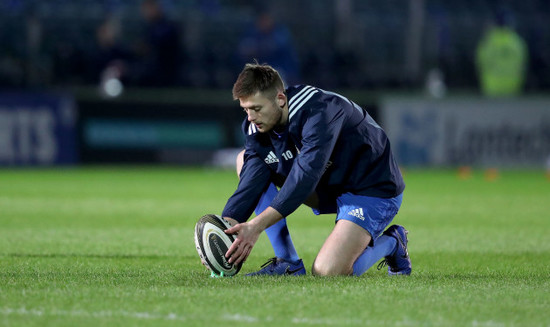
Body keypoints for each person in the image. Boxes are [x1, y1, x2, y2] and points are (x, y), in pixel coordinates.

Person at [218, 63, 410, 277]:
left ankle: (393, 242)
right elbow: (252, 179)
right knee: (244, 160)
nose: (250, 117)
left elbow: (305, 177)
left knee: (328, 271)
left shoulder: (319, 110)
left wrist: (256, 225)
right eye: (246, 109)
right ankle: (288, 262)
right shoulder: (257, 125)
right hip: (327, 184)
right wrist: (226, 226)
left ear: (280, 100)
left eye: (256, 108)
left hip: (370, 189)